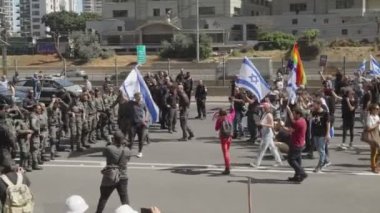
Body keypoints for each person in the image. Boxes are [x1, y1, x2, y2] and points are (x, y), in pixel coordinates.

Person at [95, 131, 132, 213]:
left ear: (114, 139)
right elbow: (128, 159)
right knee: (124, 199)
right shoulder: (127, 150)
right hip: (123, 176)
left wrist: (109, 143)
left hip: (110, 176)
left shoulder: (109, 148)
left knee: (103, 198)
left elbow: (104, 153)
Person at [250, 102, 282, 168]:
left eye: (263, 107)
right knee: (273, 148)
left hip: (267, 134)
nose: (262, 109)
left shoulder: (269, 115)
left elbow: (272, 125)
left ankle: (257, 163)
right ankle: (278, 161)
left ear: (266, 108)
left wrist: (262, 124)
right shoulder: (265, 114)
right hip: (266, 133)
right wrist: (259, 123)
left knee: (262, 149)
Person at [282, 106, 308, 182]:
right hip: (301, 143)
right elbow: (293, 120)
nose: (293, 116)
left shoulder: (298, 123)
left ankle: (302, 172)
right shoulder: (302, 120)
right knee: (298, 160)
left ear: (298, 114)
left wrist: (281, 126)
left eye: (294, 114)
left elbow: (289, 131)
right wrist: (289, 110)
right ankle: (297, 176)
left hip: (296, 143)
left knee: (291, 159)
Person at [311, 99, 331, 173]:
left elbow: (328, 124)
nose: (314, 105)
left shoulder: (325, 113)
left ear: (319, 105)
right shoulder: (314, 112)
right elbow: (310, 119)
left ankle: (319, 166)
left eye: (315, 104)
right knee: (318, 149)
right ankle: (326, 160)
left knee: (321, 150)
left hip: (322, 134)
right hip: (315, 133)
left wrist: (327, 134)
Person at [215, 105, 235, 175]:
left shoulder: (220, 119)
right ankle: (228, 164)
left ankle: (227, 167)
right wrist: (232, 105)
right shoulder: (229, 117)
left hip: (223, 137)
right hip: (229, 137)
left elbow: (216, 128)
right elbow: (233, 112)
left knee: (225, 152)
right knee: (228, 151)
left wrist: (218, 118)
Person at [127, 92, 147, 158]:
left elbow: (146, 111)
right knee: (131, 139)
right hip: (132, 124)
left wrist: (145, 119)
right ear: (135, 97)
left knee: (141, 139)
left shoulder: (143, 104)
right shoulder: (131, 103)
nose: (139, 98)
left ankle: (140, 152)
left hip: (141, 124)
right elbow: (124, 98)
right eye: (138, 97)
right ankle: (129, 152)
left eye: (140, 97)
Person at [364, 104, 380, 173]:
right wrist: (376, 124)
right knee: (374, 152)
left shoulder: (377, 117)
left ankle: (376, 165)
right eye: (376, 109)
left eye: (378, 109)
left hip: (378, 134)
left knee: (378, 152)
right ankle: (374, 167)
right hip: (372, 135)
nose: (378, 110)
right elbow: (368, 128)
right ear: (372, 110)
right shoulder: (370, 117)